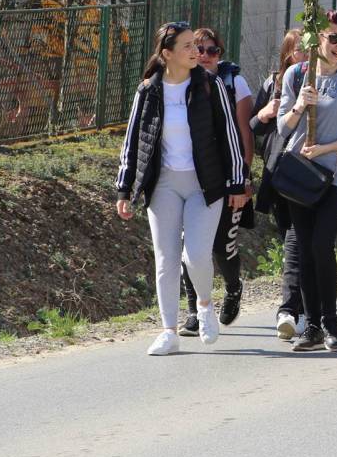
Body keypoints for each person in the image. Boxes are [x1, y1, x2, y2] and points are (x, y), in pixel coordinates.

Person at [115, 22, 247, 355]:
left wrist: (237, 181)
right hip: (164, 186)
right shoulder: (148, 90)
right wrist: (124, 188)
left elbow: (230, 135)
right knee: (166, 259)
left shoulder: (210, 85)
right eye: (188, 46)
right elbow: (133, 141)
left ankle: (204, 305)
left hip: (205, 185)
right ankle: (168, 331)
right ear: (167, 53)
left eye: (197, 46)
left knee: (196, 255)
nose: (196, 52)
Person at [276, 11, 337, 352]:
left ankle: (331, 321)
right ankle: (313, 327)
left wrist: (328, 146)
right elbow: (282, 128)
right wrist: (301, 105)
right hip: (300, 171)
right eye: (333, 39)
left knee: (322, 243)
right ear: (316, 40)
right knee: (305, 248)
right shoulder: (296, 75)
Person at [179, 27, 254, 335]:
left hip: (228, 177)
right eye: (201, 49)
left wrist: (243, 180)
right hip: (192, 179)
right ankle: (194, 310)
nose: (207, 56)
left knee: (222, 247)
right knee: (190, 249)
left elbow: (244, 134)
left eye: (214, 51)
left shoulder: (234, 82)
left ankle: (233, 287)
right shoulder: (179, 83)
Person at [249, 29, 307, 339]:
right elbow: (253, 127)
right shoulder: (274, 83)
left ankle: (292, 309)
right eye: (299, 50)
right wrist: (264, 112)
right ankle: (299, 307)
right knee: (291, 239)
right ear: (288, 53)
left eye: (310, 49)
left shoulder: (322, 80)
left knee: (297, 241)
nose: (306, 55)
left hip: (308, 171)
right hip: (279, 170)